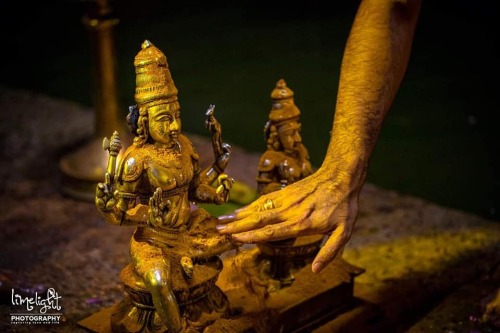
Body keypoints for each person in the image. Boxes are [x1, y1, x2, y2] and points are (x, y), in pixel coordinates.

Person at [217, 0, 422, 274]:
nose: (291, 138)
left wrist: (337, 177)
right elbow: (395, 6)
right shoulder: (271, 159)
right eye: (285, 132)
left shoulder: (297, 153)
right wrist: (340, 173)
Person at [95, 40, 235, 331]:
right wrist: (148, 216)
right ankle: (176, 328)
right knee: (159, 282)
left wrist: (217, 194)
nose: (174, 126)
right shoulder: (136, 160)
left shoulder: (183, 145)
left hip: (187, 227)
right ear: (145, 121)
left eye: (177, 116)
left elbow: (196, 189)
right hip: (153, 239)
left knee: (238, 233)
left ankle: (205, 282)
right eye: (164, 119)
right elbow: (118, 214)